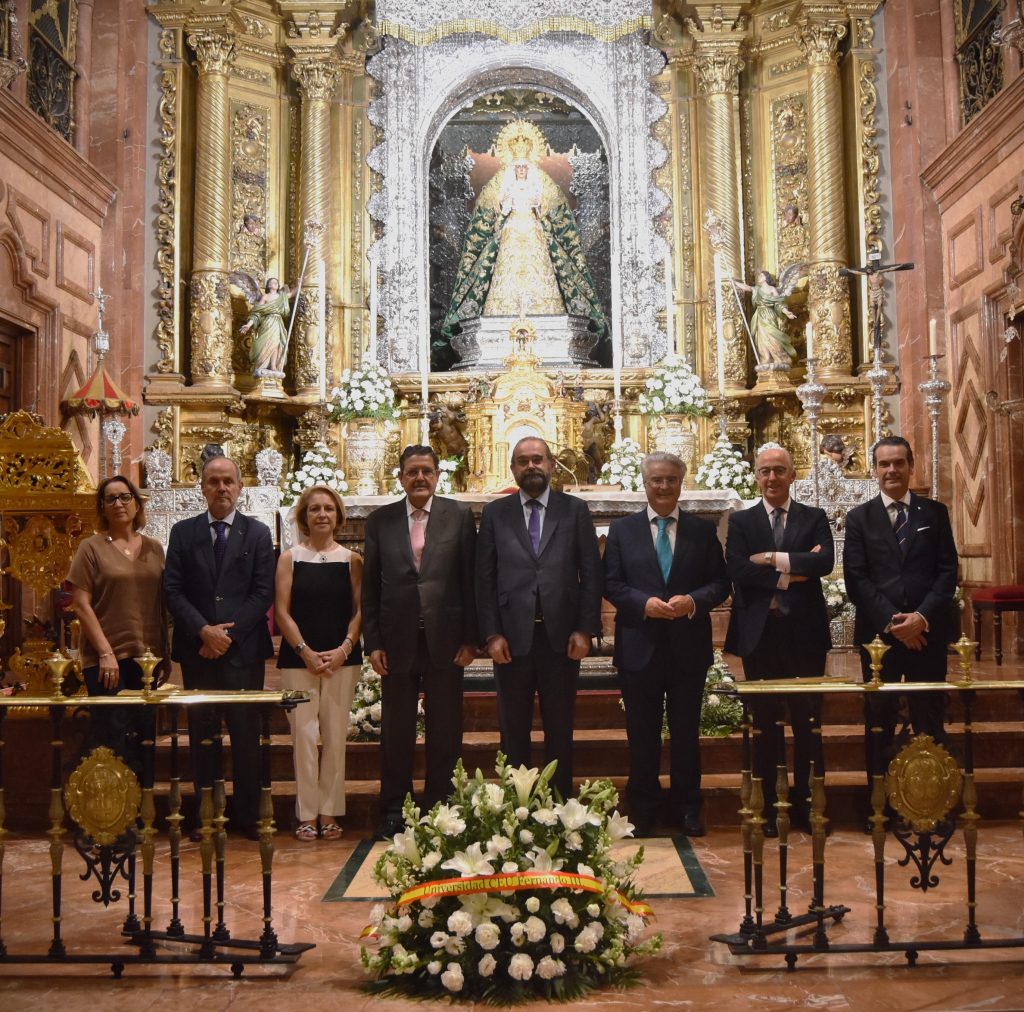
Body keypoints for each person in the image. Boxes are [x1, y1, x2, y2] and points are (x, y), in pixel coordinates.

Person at [603, 452, 729, 837]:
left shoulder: (701, 531)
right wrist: (642, 604)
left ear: (681, 482)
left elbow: (721, 582)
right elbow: (611, 583)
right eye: (656, 480)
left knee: (686, 732)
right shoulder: (622, 531)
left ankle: (687, 806)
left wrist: (693, 601)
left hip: (687, 646)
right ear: (645, 483)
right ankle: (642, 808)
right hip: (639, 645)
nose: (663, 487)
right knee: (641, 733)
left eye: (671, 480)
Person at [476, 436, 603, 800]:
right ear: (513, 468)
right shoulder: (495, 514)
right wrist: (491, 634)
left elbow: (590, 573)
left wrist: (585, 628)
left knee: (560, 726)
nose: (531, 466)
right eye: (523, 461)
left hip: (561, 637)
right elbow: (483, 578)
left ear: (551, 465)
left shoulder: (574, 510)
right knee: (512, 728)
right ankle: (517, 805)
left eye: (538, 460)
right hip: (511, 640)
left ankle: (560, 803)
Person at [362, 445, 478, 839]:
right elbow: (370, 586)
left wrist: (471, 639)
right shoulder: (380, 520)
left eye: (427, 471)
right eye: (412, 472)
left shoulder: (458, 516)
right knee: (396, 728)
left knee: (446, 727)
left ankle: (442, 805)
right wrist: (372, 640)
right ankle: (395, 808)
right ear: (400, 477)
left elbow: (470, 580)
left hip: (446, 638)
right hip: (397, 638)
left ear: (437, 474)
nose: (420, 478)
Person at [164, 455, 275, 840]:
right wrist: (203, 632)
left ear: (240, 487)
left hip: (242, 649)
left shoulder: (258, 533)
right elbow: (173, 590)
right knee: (203, 733)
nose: (222, 488)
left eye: (229, 481)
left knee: (246, 734)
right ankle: (207, 814)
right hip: (198, 650)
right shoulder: (183, 532)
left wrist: (225, 635)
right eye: (214, 481)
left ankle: (246, 816)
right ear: (203, 487)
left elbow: (263, 592)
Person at [725, 445, 834, 835]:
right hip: (761, 634)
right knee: (764, 725)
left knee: (809, 724)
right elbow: (737, 568)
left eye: (779, 470)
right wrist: (792, 569)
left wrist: (770, 558)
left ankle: (807, 806)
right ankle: (769, 808)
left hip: (805, 634)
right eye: (765, 471)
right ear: (756, 475)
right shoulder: (742, 521)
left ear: (792, 475)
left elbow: (824, 563)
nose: (772, 478)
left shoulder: (814, 516)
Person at [842, 436, 959, 792]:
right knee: (879, 721)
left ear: (911, 466)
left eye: (898, 463)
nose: (891, 470)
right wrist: (896, 624)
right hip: (880, 638)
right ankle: (879, 803)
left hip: (929, 634)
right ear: (874, 469)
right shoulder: (859, 518)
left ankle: (930, 801)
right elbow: (856, 578)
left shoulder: (934, 513)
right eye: (884, 464)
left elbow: (947, 571)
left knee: (929, 718)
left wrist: (921, 618)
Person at [275, 485, 362, 842]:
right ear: (304, 516)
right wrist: (305, 651)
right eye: (314, 509)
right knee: (304, 737)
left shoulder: (353, 560)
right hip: (298, 661)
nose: (322, 514)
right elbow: (281, 610)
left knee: (336, 736)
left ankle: (329, 811)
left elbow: (360, 611)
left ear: (338, 516)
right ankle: (307, 813)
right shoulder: (289, 558)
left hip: (343, 659)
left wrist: (343, 649)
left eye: (328, 509)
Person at [69, 475, 168, 766]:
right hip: (106, 661)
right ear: (102, 507)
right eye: (110, 499)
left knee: (144, 742)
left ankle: (143, 810)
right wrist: (105, 652)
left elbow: (161, 604)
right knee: (113, 743)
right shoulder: (91, 547)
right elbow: (81, 604)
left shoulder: (154, 548)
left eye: (125, 497)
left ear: (137, 504)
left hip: (147, 658)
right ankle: (114, 811)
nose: (119, 504)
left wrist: (165, 654)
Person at [734, 270, 798, 365]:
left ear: (765, 278)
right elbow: (747, 287)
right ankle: (766, 359)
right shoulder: (757, 289)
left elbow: (778, 303)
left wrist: (786, 312)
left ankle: (780, 358)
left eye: (761, 276)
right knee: (762, 339)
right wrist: (734, 282)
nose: (759, 278)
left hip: (769, 315)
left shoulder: (772, 289)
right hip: (759, 316)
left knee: (772, 337)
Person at [239, 277, 291, 376]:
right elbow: (256, 313)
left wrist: (300, 283)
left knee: (276, 343)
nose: (274, 283)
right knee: (267, 343)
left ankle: (273, 366)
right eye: (272, 282)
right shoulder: (265, 297)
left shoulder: (282, 296)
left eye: (276, 282)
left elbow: (292, 294)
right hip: (267, 322)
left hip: (277, 322)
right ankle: (262, 363)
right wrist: (248, 325)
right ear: (268, 286)